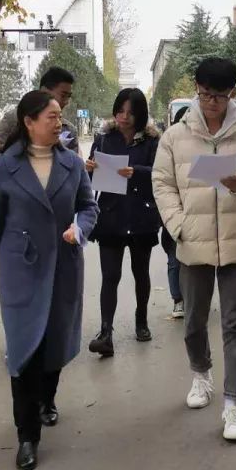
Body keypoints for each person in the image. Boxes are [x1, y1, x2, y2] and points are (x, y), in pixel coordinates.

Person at [0, 90, 99, 470]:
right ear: (29, 122)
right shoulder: (5, 166)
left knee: (54, 342)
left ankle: (47, 397)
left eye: (60, 117)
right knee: (24, 351)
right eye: (51, 117)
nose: (59, 123)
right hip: (20, 270)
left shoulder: (71, 163)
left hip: (63, 265)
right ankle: (27, 436)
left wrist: (79, 228)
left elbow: (88, 207)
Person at [152, 57, 236, 442]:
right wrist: (178, 224)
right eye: (205, 95)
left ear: (232, 93)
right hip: (192, 240)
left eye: (219, 96)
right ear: (197, 89)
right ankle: (201, 373)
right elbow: (162, 183)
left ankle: (234, 403)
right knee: (194, 320)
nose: (211, 103)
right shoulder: (176, 135)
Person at [85, 88, 161, 356]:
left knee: (141, 272)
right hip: (111, 214)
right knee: (110, 275)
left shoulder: (152, 141)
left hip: (141, 215)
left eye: (130, 112)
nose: (124, 117)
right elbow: (91, 176)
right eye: (120, 111)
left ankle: (142, 320)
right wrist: (89, 169)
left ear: (141, 115)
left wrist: (136, 172)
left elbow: (161, 174)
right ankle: (105, 331)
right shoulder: (104, 139)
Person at [0, 67, 79, 156]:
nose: (66, 102)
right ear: (44, 91)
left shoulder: (69, 130)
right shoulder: (13, 119)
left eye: (68, 96)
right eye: (63, 96)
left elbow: (74, 161)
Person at [159, 105, 189, 319]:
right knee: (174, 259)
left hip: (200, 214)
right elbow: (160, 183)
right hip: (174, 213)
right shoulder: (167, 147)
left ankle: (193, 299)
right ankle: (178, 299)